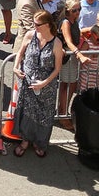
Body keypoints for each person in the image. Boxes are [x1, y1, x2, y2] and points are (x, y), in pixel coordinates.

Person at [12, 10, 62, 158]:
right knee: (27, 114)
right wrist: (15, 67)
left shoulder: (56, 43)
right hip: (27, 83)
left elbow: (57, 68)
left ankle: (39, 143)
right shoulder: (30, 35)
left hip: (46, 87)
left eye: (37, 24)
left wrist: (44, 83)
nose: (34, 26)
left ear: (47, 25)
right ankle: (25, 141)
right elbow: (20, 53)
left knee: (43, 115)